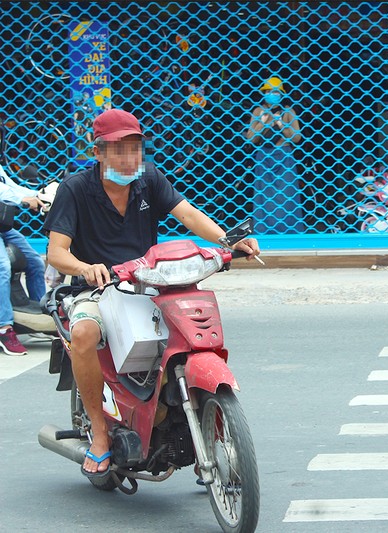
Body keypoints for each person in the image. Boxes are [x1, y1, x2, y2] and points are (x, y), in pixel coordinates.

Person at [43, 108, 260, 480]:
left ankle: (185, 418)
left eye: (135, 149)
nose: (129, 159)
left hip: (147, 284)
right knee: (83, 333)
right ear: (98, 153)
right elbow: (56, 252)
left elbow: (189, 216)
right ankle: (98, 430)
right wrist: (84, 268)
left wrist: (229, 241)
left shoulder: (149, 181)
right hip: (97, 289)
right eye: (119, 150)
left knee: (186, 331)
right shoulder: (75, 189)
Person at [244, 76, 304, 234]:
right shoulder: (258, 111)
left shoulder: (288, 111)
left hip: (284, 156)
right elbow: (250, 137)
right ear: (264, 93)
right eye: (269, 91)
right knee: (264, 196)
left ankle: (288, 230)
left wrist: (281, 124)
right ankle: (264, 230)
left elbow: (297, 137)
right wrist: (262, 123)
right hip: (264, 155)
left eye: (276, 92)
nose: (273, 94)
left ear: (281, 94)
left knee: (287, 195)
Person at [0, 165, 47, 356]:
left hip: (3, 226)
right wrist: (23, 200)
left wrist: (39, 194)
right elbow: (5, 192)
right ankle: (4, 328)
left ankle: (42, 315)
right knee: (2, 267)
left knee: (35, 262)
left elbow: (10, 186)